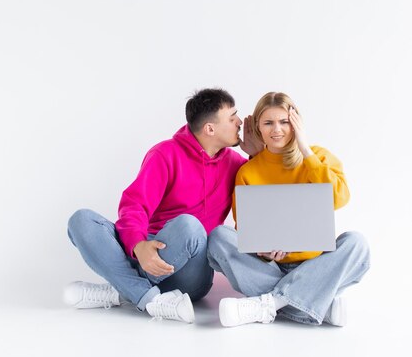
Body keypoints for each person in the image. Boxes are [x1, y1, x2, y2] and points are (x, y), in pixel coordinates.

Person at [64, 88, 256, 323]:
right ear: (210, 128)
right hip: (149, 253)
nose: (240, 122)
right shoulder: (165, 154)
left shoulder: (236, 165)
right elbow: (134, 206)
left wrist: (257, 156)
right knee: (81, 220)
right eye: (232, 117)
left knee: (190, 225)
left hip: (190, 275)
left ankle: (121, 290)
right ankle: (149, 298)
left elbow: (262, 200)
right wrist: (138, 246)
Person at [207, 91, 370, 327]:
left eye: (284, 122)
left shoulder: (318, 156)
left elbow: (339, 198)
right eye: (268, 123)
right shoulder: (248, 171)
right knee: (219, 236)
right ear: (258, 128)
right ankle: (315, 303)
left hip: (315, 265)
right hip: (268, 268)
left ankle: (269, 304)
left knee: (357, 244)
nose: (277, 130)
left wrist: (305, 149)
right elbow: (245, 228)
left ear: (296, 124)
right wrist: (261, 250)